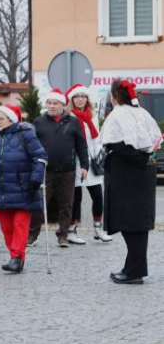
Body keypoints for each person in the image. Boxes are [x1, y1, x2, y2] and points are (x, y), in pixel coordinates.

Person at [101, 80, 161, 284]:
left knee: (131, 222)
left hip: (126, 174)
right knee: (137, 222)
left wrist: (140, 159)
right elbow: (154, 142)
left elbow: (116, 146)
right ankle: (133, 266)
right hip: (144, 172)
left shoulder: (117, 114)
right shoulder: (142, 113)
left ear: (114, 96)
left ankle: (135, 271)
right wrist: (145, 159)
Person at [0, 104, 48, 273]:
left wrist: (36, 178)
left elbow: (40, 156)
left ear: (11, 119)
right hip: (1, 187)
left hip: (23, 187)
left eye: (1, 118)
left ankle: (16, 257)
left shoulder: (25, 134)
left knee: (20, 224)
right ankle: (17, 257)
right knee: (6, 227)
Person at [28, 88, 88, 248]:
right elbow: (31, 145)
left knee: (66, 204)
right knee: (40, 203)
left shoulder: (73, 121)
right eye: (49, 103)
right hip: (45, 170)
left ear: (62, 104)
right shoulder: (39, 122)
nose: (51, 106)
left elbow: (81, 145)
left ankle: (63, 235)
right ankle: (32, 235)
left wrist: (85, 165)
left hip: (67, 170)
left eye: (55, 103)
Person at [65, 84, 112, 244]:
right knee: (75, 198)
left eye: (83, 96)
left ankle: (98, 228)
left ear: (87, 99)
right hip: (76, 161)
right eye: (77, 96)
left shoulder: (91, 115)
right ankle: (71, 230)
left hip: (92, 161)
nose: (80, 99)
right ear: (72, 99)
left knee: (98, 196)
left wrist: (100, 155)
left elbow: (96, 139)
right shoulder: (68, 116)